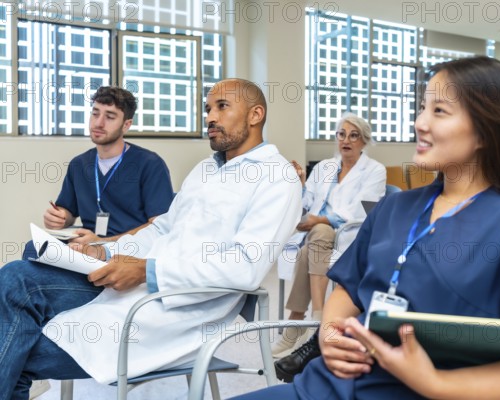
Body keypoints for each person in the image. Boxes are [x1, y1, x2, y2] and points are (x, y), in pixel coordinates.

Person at [233, 57, 500, 399]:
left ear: (487, 130)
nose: (420, 122)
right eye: (422, 108)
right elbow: (348, 289)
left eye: (439, 111)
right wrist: (329, 333)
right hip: (323, 388)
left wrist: (436, 385)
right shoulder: (396, 207)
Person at [0, 78, 302, 399]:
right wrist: (105, 251)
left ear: (255, 115)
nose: (210, 117)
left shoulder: (277, 178)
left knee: (15, 350)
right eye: (208, 109)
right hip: (133, 285)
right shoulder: (205, 170)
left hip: (178, 312)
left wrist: (147, 270)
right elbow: (161, 229)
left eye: (222, 107)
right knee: (15, 277)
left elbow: (245, 267)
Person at [272, 113, 386, 359]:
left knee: (320, 233)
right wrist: (299, 184)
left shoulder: (375, 171)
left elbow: (362, 212)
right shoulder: (324, 167)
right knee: (311, 245)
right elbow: (306, 202)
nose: (346, 140)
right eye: (341, 134)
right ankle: (306, 324)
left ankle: (304, 323)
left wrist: (320, 220)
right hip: (315, 237)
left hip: (349, 235)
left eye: (354, 135)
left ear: (364, 141)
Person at [23, 86, 174, 260]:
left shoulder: (150, 164)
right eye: (95, 114)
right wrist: (60, 217)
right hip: (85, 249)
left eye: (109, 117)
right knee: (32, 248)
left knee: (21, 275)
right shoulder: (79, 164)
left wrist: (103, 243)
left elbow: (159, 226)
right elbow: (68, 212)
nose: (98, 123)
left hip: (125, 257)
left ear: (126, 125)